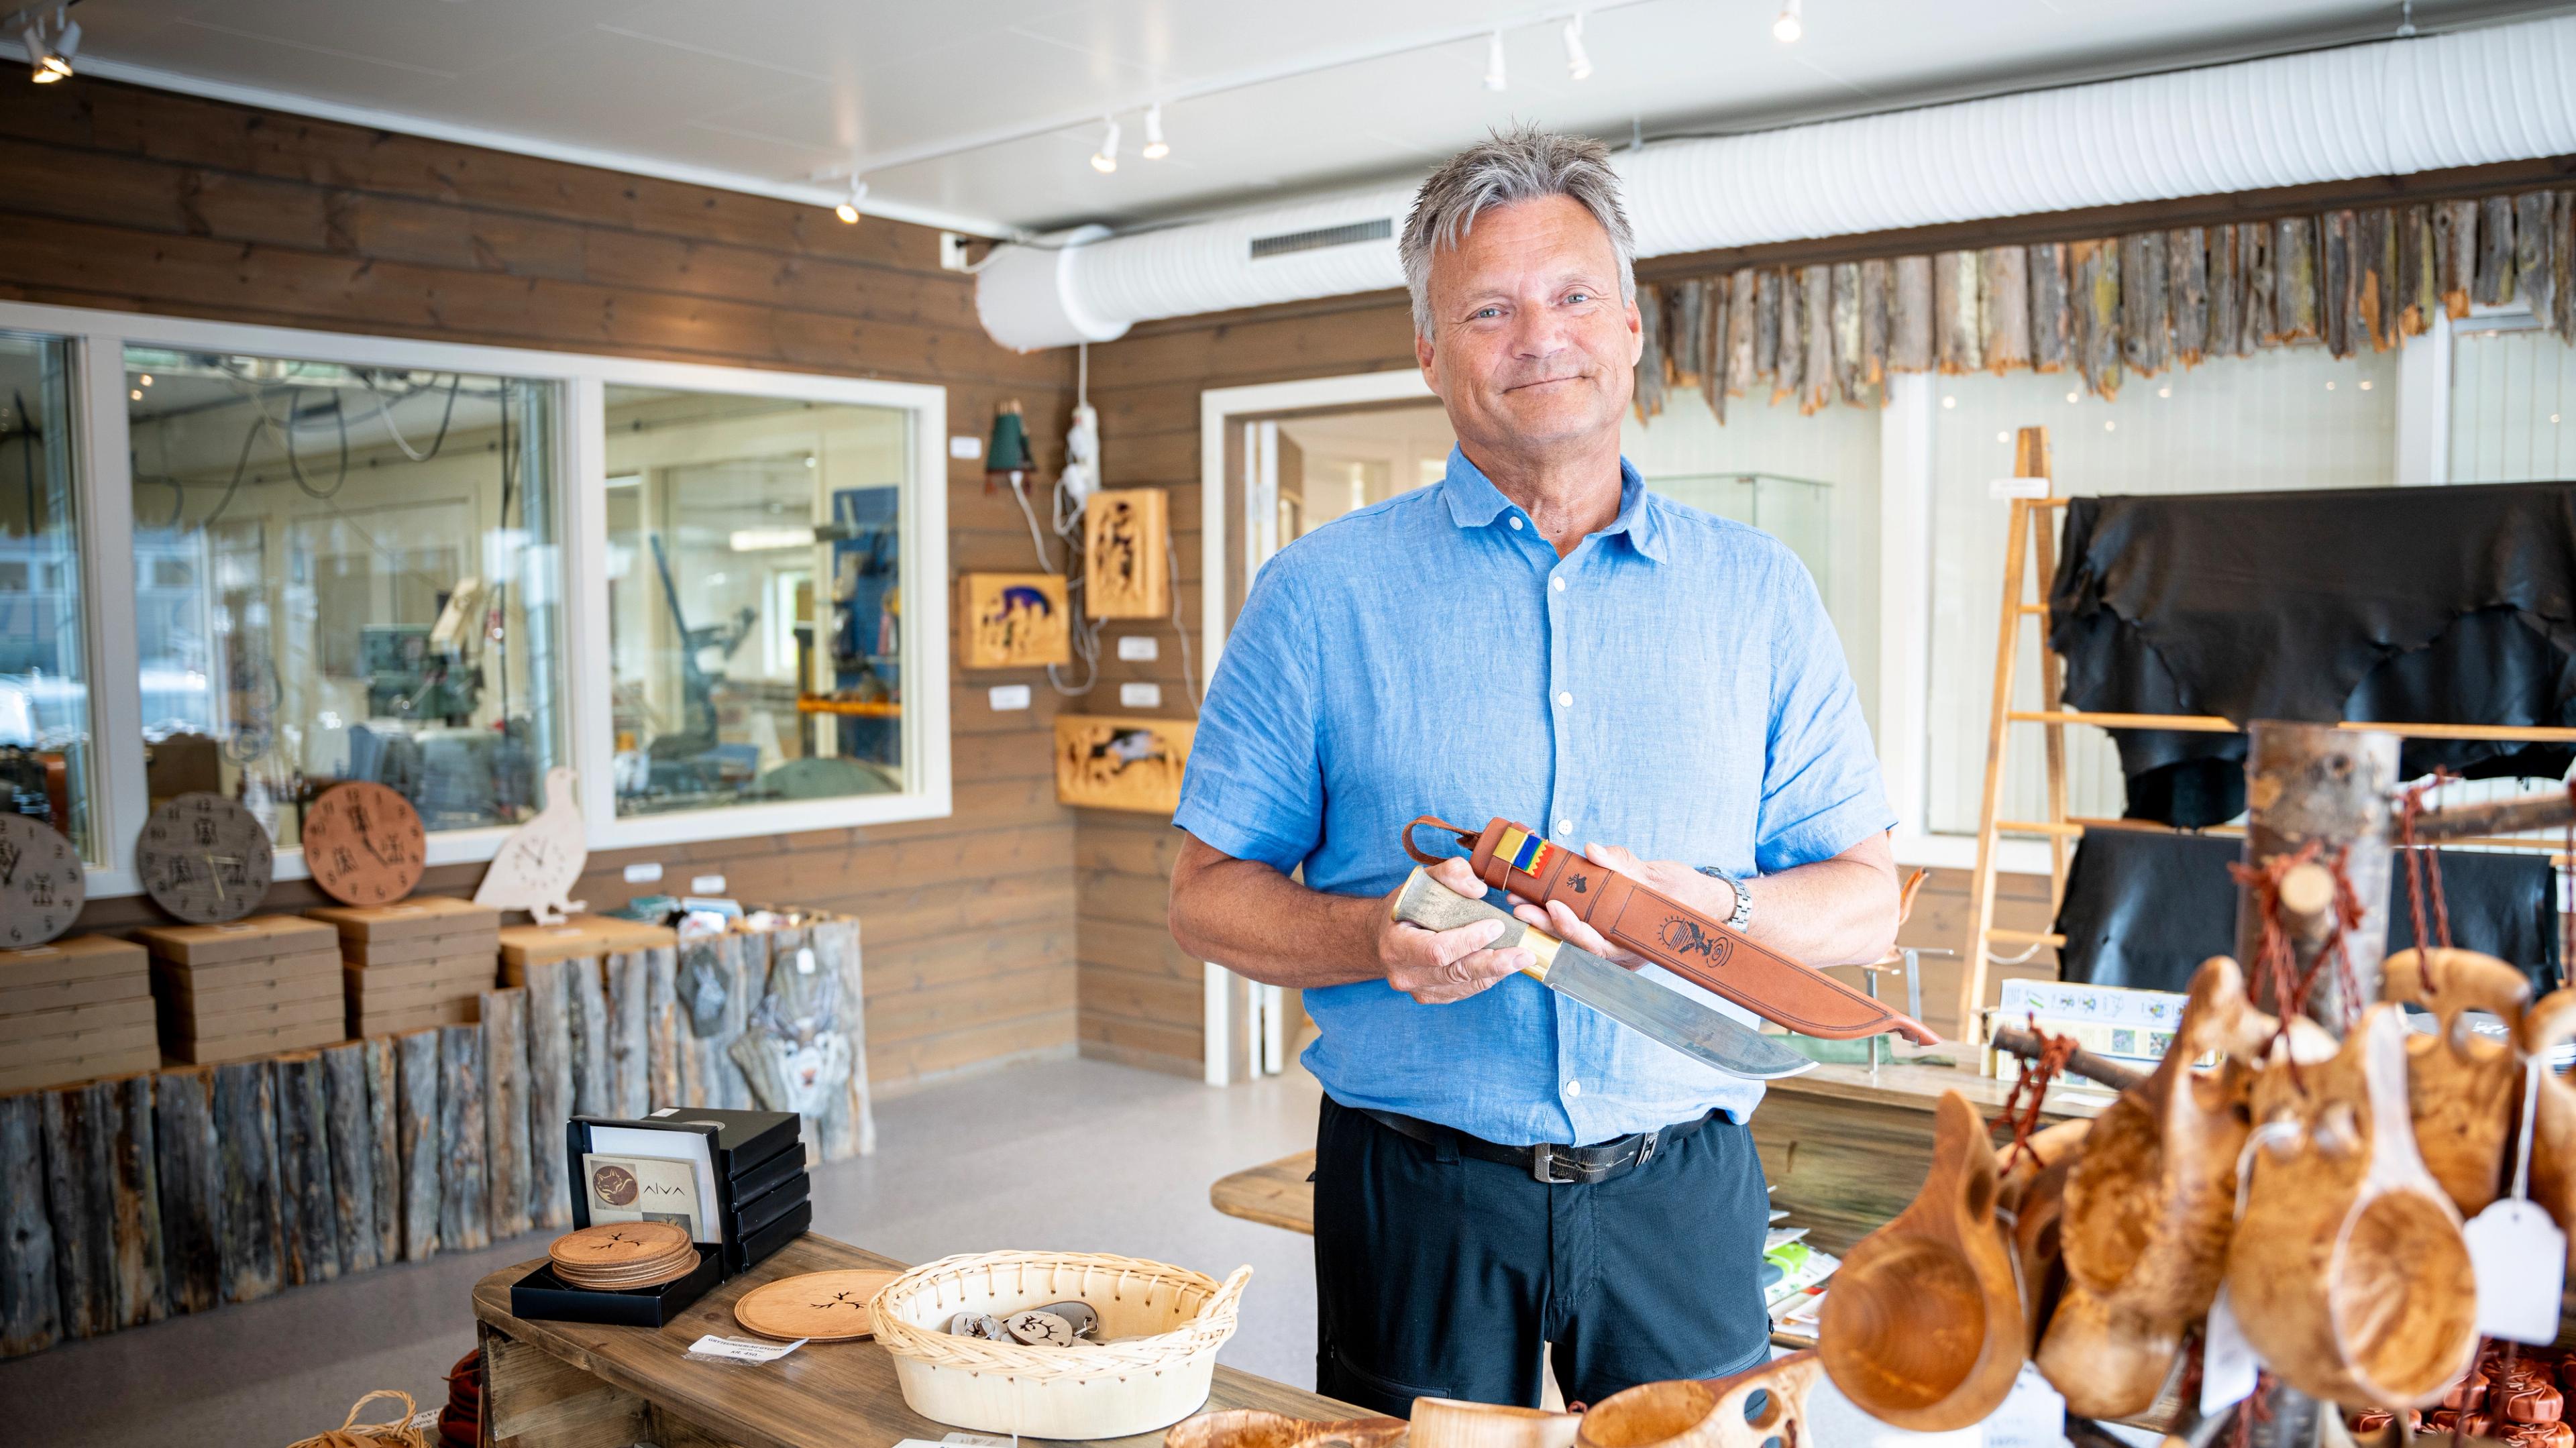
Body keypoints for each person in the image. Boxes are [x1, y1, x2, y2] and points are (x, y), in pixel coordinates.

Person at [1166, 125, 1901, 1414]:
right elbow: (1206, 896)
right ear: (1430, 352)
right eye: (1489, 309)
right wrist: (1374, 936)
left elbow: (1866, 900)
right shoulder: (1319, 597)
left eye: (1570, 297)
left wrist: (1703, 909)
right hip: (1417, 1192)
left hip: (1685, 1182)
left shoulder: (1760, 595)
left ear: (1629, 326)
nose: (1537, 337)